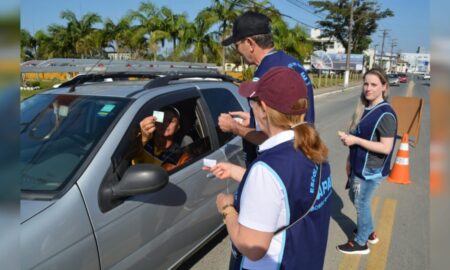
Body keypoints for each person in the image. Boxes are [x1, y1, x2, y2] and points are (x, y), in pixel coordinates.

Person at [204, 67, 332, 269]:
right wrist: (236, 172)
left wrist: (227, 209)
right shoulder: (312, 148)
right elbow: (285, 191)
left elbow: (253, 247)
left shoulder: (267, 169)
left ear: (263, 108)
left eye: (252, 103)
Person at [219, 11, 315, 165]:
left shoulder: (265, 76)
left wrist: (234, 127)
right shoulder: (292, 62)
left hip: (277, 161)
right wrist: (253, 118)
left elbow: (271, 136)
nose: (237, 51)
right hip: (301, 152)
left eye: (237, 45)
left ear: (250, 43)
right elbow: (287, 117)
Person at [336, 67, 397, 254]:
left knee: (361, 203)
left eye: (374, 84)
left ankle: (361, 242)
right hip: (358, 165)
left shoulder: (385, 114)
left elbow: (386, 147)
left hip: (371, 170)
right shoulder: (365, 108)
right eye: (366, 84)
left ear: (384, 87)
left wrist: (355, 140)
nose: (368, 88)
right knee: (354, 197)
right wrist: (349, 158)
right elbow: (358, 136)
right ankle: (369, 231)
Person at [134, 106, 191, 171]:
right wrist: (143, 140)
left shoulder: (178, 155)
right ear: (154, 122)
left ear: (177, 127)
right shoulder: (145, 140)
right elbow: (127, 157)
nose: (165, 124)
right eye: (162, 119)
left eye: (171, 121)